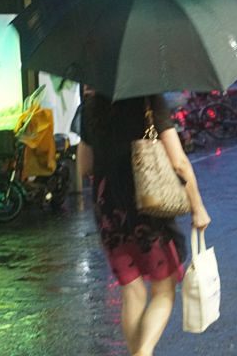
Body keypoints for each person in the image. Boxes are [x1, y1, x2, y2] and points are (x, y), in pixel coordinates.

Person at [78, 89, 211, 356]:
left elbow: (84, 166)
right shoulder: (148, 99)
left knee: (132, 291)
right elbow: (179, 163)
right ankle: (143, 351)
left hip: (108, 208)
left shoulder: (91, 106)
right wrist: (198, 207)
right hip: (146, 205)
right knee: (164, 289)